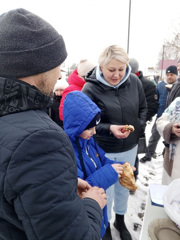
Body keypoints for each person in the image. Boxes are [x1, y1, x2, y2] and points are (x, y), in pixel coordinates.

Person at [0, 8, 107, 240]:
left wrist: (60, 183)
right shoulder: (40, 140)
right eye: (58, 64)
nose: (60, 75)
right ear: (39, 66)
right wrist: (92, 204)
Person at [82, 45, 147, 240]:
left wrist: (137, 126)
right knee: (105, 190)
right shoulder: (90, 88)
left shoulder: (134, 82)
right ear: (101, 67)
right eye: (112, 70)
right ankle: (106, 224)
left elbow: (143, 108)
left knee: (124, 186)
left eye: (121, 69)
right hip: (103, 149)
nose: (117, 75)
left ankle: (120, 219)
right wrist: (109, 128)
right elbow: (87, 123)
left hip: (129, 147)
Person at [63, 90, 130, 239]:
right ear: (75, 126)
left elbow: (102, 160)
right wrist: (110, 173)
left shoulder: (88, 141)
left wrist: (119, 166)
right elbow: (82, 188)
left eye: (95, 126)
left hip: (99, 206)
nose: (94, 132)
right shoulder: (67, 152)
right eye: (89, 128)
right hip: (86, 212)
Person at [140, 65, 178, 163]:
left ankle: (166, 155)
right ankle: (149, 154)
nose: (169, 77)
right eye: (168, 74)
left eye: (172, 74)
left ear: (176, 75)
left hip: (174, 119)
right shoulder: (160, 85)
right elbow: (154, 99)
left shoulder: (178, 87)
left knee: (170, 139)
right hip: (160, 116)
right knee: (154, 137)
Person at [129, 58, 159, 180]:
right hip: (120, 124)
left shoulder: (147, 85)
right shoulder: (121, 82)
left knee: (133, 152)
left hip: (137, 125)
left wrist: (140, 120)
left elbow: (152, 107)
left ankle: (133, 177)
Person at [156, 97, 180, 185]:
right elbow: (161, 121)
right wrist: (171, 128)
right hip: (173, 163)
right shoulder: (178, 102)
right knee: (170, 193)